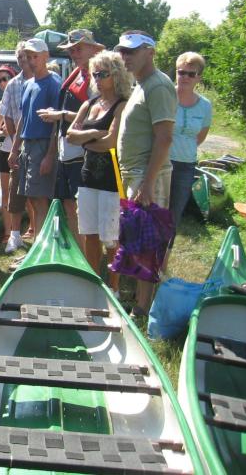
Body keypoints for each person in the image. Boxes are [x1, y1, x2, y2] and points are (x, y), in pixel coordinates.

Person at [115, 30, 177, 316]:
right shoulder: (141, 84)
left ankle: (142, 308)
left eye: (132, 51)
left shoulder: (159, 85)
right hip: (135, 174)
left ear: (150, 52)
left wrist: (148, 183)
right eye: (122, 51)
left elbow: (164, 138)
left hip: (147, 175)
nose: (125, 56)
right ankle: (138, 301)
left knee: (147, 243)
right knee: (136, 238)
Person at [66, 51, 131, 294]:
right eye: (95, 74)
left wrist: (85, 139)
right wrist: (94, 134)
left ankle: (113, 288)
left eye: (103, 74)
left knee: (111, 238)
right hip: (87, 177)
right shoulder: (89, 104)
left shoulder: (122, 105)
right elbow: (70, 136)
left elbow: (111, 142)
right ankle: (93, 283)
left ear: (116, 75)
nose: (98, 78)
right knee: (90, 233)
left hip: (112, 180)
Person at [38, 29, 104, 247]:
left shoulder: (99, 79)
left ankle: (89, 257)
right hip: (67, 150)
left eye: (78, 49)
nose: (74, 54)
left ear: (93, 49)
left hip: (85, 152)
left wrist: (62, 115)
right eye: (71, 50)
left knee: (84, 209)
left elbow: (99, 118)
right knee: (69, 206)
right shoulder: (76, 73)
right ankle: (79, 255)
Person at [9, 38, 62, 240]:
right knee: (31, 198)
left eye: (35, 57)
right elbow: (23, 118)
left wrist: (50, 155)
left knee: (40, 199)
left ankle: (42, 247)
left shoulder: (54, 83)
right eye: (28, 57)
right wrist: (15, 149)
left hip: (43, 144)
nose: (31, 61)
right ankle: (40, 244)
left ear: (46, 56)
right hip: (27, 146)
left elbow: (57, 123)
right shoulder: (27, 84)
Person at [168, 52, 211, 228]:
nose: (185, 77)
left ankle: (167, 246)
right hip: (160, 161)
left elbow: (200, 136)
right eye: (181, 72)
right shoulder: (165, 96)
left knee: (175, 214)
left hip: (186, 165)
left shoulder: (205, 105)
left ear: (198, 77)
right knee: (154, 209)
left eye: (191, 74)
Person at [0, 43, 34, 257]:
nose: (24, 60)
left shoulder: (45, 80)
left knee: (37, 195)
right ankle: (14, 234)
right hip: (18, 147)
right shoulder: (12, 84)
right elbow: (8, 116)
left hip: (39, 146)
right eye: (20, 57)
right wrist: (16, 144)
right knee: (15, 191)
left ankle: (38, 233)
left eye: (27, 56)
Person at [0, 66, 17, 243]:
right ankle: (8, 232)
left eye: (4, 79)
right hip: (5, 151)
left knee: (24, 194)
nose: (1, 83)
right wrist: (3, 132)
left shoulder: (21, 99)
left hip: (20, 150)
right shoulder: (1, 104)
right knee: (6, 193)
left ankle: (29, 229)